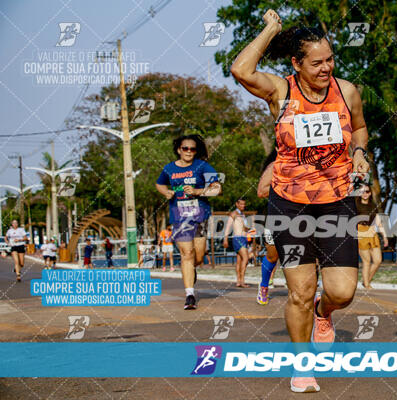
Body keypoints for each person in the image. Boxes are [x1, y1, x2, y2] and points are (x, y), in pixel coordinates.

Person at [231, 9, 369, 393]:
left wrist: (360, 152)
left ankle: (324, 316)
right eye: (317, 62)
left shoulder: (347, 90)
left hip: (337, 199)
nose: (327, 67)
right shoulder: (281, 90)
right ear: (296, 63)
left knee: (341, 291)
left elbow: (358, 127)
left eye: (330, 59)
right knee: (300, 291)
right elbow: (241, 70)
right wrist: (271, 29)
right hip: (290, 203)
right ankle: (302, 364)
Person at [156, 134, 222, 310]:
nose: (189, 152)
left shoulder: (202, 166)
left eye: (192, 149)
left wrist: (198, 191)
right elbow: (160, 184)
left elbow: (217, 189)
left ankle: (190, 271)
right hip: (179, 217)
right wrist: (166, 193)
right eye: (185, 148)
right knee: (187, 254)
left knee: (198, 257)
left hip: (199, 216)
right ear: (179, 150)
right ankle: (190, 294)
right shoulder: (169, 168)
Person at [256, 149, 279, 305]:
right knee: (273, 256)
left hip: (302, 218)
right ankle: (264, 285)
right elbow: (261, 192)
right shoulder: (274, 166)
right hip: (277, 218)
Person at [355, 185, 388, 289]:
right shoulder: (356, 204)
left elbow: (378, 222)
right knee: (367, 261)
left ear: (370, 193)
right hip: (360, 231)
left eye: (367, 191)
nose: (365, 193)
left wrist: (385, 236)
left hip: (372, 231)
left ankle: (366, 281)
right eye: (362, 191)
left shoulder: (373, 205)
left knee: (378, 260)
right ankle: (367, 284)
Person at [223, 199, 252, 288]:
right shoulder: (234, 214)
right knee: (246, 258)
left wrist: (248, 229)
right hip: (238, 238)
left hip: (243, 237)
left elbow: (243, 227)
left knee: (239, 260)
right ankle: (242, 281)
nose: (243, 206)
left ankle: (239, 281)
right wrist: (225, 239)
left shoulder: (242, 215)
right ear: (237, 204)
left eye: (244, 204)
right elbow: (228, 227)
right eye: (241, 204)